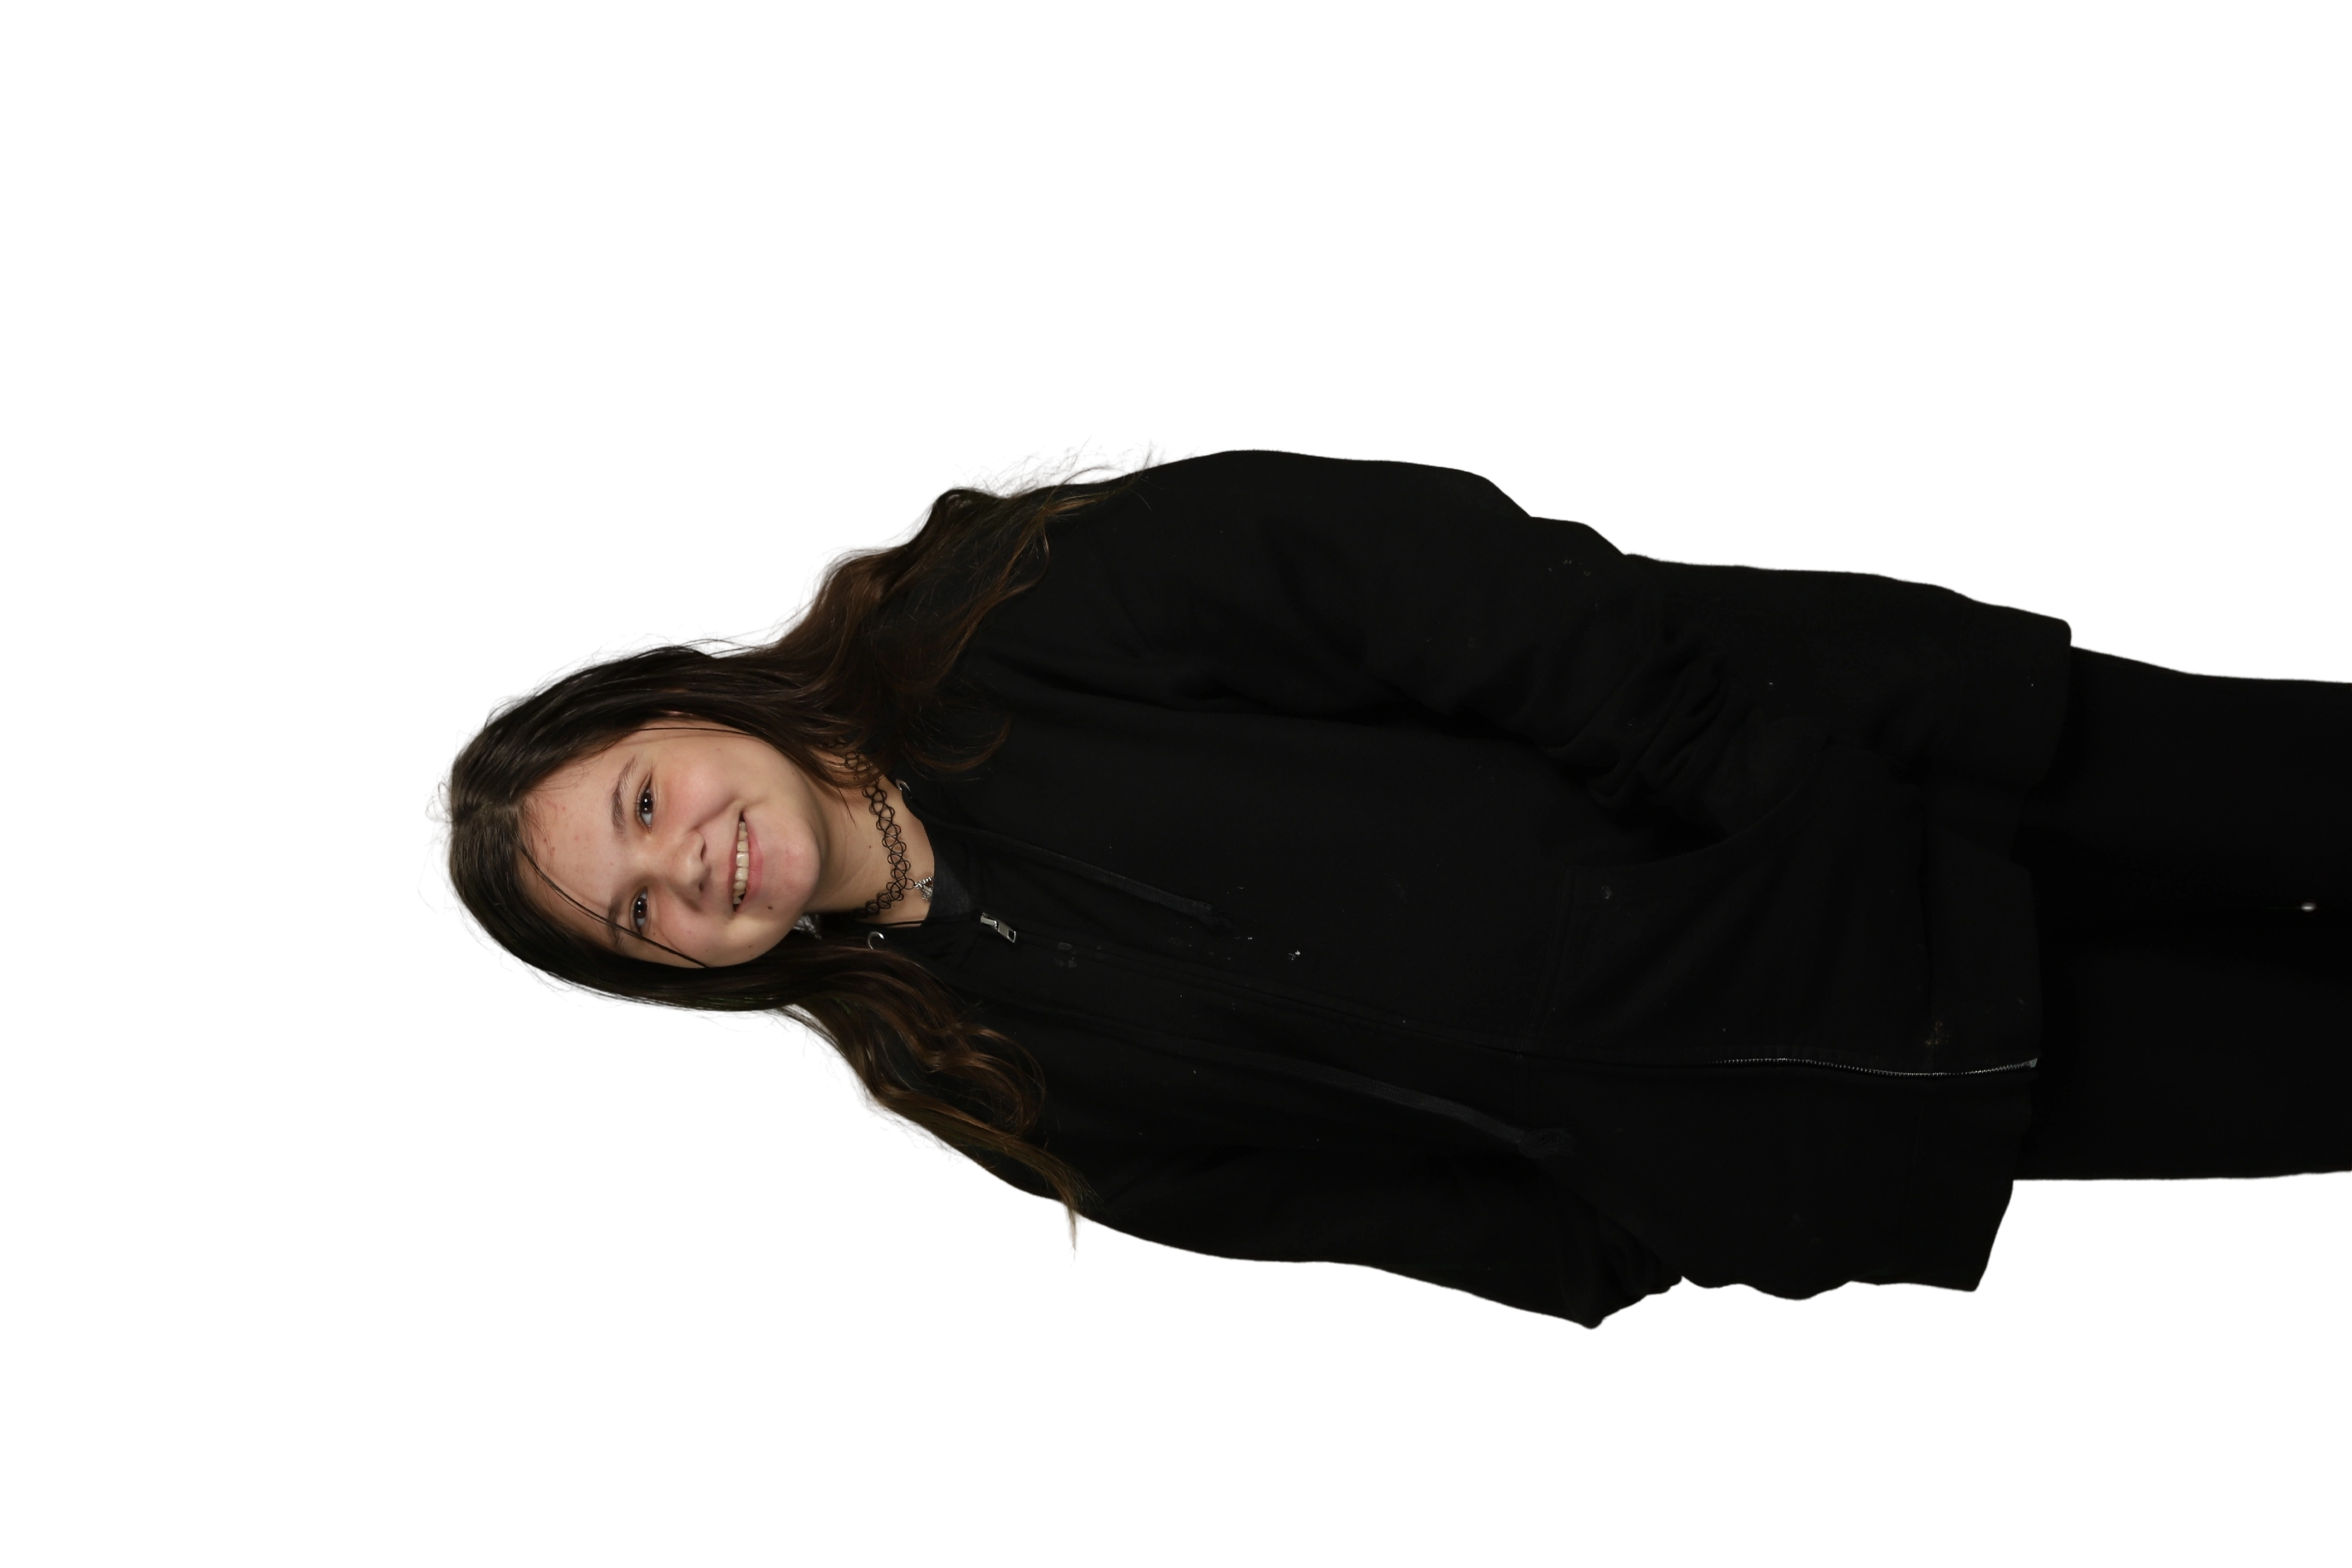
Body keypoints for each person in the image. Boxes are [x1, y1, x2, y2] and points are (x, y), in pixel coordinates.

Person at [413, 435, 2352, 1331]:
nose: (688, 865)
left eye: (644, 802)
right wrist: (1635, 1244)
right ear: (680, 975)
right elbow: (1349, 1204)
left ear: (681, 698)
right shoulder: (971, 1079)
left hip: (1915, 789)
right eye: (637, 912)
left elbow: (1465, 591)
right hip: (1900, 1084)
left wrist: (1774, 824)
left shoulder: (1020, 601)